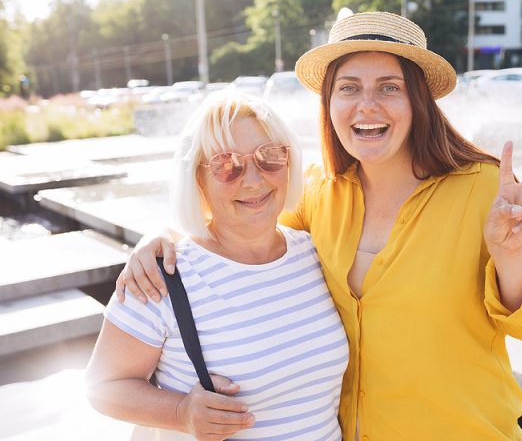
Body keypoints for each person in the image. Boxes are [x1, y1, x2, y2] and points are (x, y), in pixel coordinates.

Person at [118, 12, 522, 440]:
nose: (367, 105)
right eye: (349, 88)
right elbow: (240, 229)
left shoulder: (484, 188)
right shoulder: (318, 192)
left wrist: (509, 256)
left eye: (389, 87)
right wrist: (163, 236)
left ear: (417, 100)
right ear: (329, 102)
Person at [85, 91, 349, 441]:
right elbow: (101, 386)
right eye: (227, 165)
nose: (253, 180)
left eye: (269, 157)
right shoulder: (161, 275)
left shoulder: (314, 253)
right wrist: (180, 413)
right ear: (198, 180)